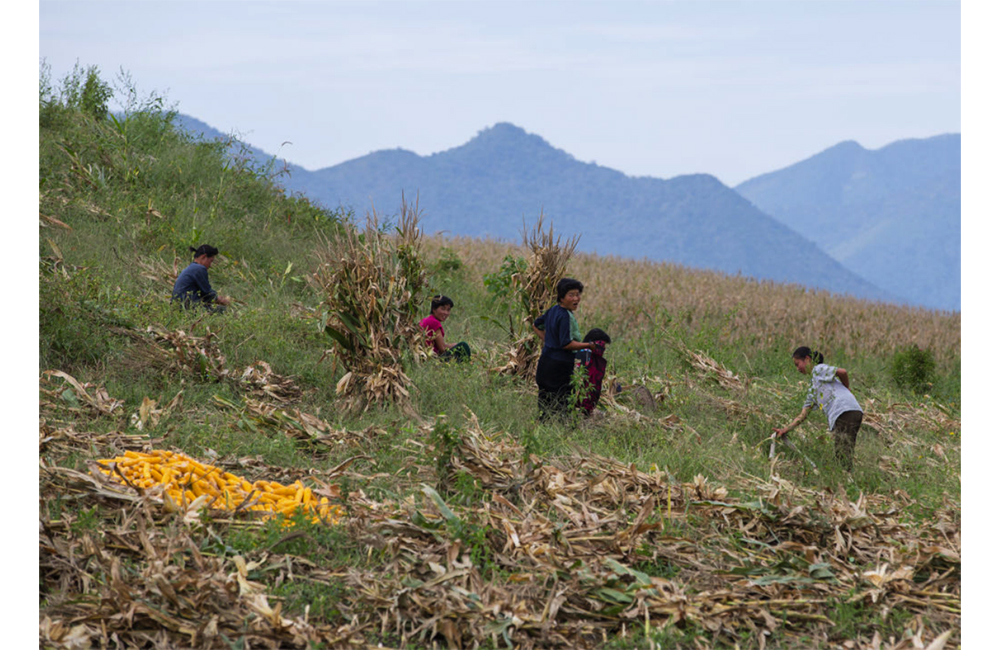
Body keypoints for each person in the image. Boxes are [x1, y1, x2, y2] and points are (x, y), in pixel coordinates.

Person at [773, 347, 864, 471]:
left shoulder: (818, 369)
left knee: (842, 455)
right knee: (844, 453)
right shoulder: (813, 389)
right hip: (852, 411)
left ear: (807, 359)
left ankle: (846, 481)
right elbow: (803, 415)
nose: (797, 369)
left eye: (797, 364)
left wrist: (847, 387)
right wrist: (784, 430)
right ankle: (848, 480)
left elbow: (842, 372)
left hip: (844, 410)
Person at [532, 278, 597, 421]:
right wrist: (588, 345)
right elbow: (566, 344)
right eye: (571, 295)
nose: (576, 299)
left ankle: (543, 427)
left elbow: (536, 325)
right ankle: (561, 430)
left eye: (578, 294)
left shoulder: (553, 310)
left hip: (545, 362)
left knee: (545, 400)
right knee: (562, 401)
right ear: (561, 297)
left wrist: (548, 341)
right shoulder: (564, 316)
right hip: (559, 366)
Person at [171, 245, 231, 313]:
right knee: (223, 310)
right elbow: (208, 294)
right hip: (188, 307)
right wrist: (223, 300)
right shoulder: (199, 269)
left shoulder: (191, 268)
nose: (210, 265)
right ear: (204, 257)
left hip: (178, 306)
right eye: (210, 261)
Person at [419, 295, 471, 361]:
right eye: (443, 309)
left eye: (448, 310)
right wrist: (455, 345)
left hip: (424, 355)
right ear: (434, 309)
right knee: (463, 346)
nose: (446, 313)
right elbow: (442, 349)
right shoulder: (434, 322)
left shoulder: (424, 320)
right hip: (432, 358)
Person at [576, 328, 612, 416]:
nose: (603, 348)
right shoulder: (585, 355)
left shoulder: (596, 359)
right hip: (579, 406)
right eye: (602, 345)